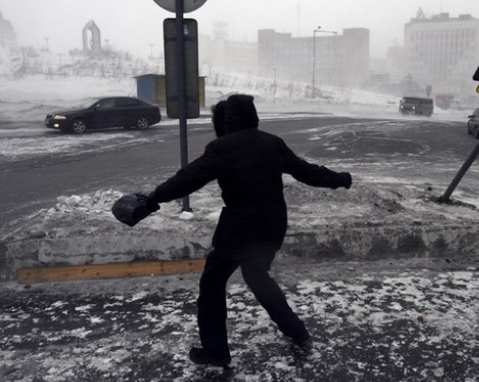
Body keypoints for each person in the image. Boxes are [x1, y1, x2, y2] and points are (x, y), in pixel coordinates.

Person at [132, 94, 352, 367]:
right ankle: (298, 332)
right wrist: (339, 179)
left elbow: (187, 179)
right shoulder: (273, 142)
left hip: (240, 228)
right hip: (273, 225)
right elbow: (305, 171)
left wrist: (154, 198)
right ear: (253, 116)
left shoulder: (221, 147)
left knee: (212, 283)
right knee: (257, 274)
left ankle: (216, 353)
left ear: (228, 120)